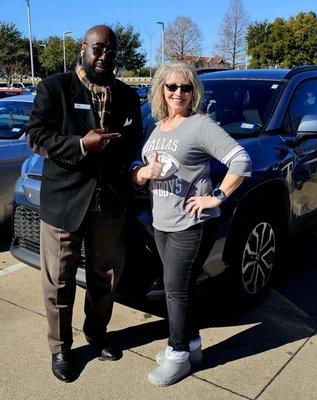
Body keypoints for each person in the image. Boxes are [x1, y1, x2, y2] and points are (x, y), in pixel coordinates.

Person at [27, 25, 142, 382]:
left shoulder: (125, 94)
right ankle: (61, 349)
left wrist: (117, 147)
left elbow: (134, 136)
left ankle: (96, 334)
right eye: (98, 48)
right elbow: (37, 136)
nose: (104, 55)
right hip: (65, 202)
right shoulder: (55, 88)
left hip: (109, 201)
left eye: (110, 50)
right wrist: (81, 145)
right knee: (58, 282)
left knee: (104, 277)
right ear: (83, 48)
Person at [133, 61, 251, 386]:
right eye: (171, 87)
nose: (178, 93)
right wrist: (144, 173)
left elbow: (241, 159)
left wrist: (217, 196)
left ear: (193, 91)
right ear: (161, 90)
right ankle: (194, 345)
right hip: (162, 222)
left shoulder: (199, 125)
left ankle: (178, 354)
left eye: (185, 87)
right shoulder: (157, 127)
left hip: (192, 223)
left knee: (175, 290)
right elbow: (141, 167)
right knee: (182, 287)